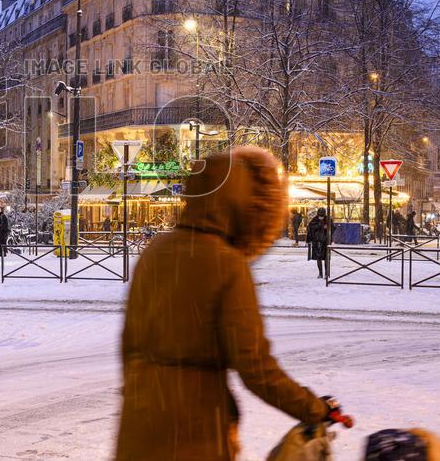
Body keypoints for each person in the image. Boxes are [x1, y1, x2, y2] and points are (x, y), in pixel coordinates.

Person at [116, 147, 340, 460]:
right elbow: (257, 369)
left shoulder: (156, 251)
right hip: (194, 434)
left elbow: (127, 345)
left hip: (137, 428)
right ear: (244, 206)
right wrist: (314, 408)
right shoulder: (226, 264)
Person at [306, 208, 330, 279]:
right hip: (317, 242)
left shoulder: (327, 220)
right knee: (318, 258)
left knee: (326, 258)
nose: (321, 217)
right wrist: (320, 226)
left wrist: (327, 228)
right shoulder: (315, 220)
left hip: (326, 242)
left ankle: (326, 274)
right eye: (320, 215)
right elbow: (310, 228)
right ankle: (320, 273)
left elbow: (333, 228)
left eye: (322, 215)